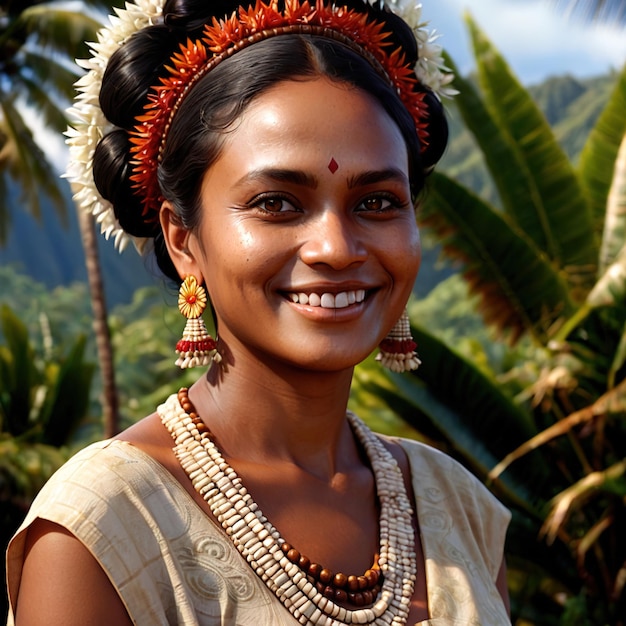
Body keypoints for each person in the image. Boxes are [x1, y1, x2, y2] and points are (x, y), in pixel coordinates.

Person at [6, 0, 511, 624]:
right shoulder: (107, 528)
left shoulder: (457, 506)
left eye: (378, 202)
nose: (336, 247)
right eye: (276, 202)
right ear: (182, 238)